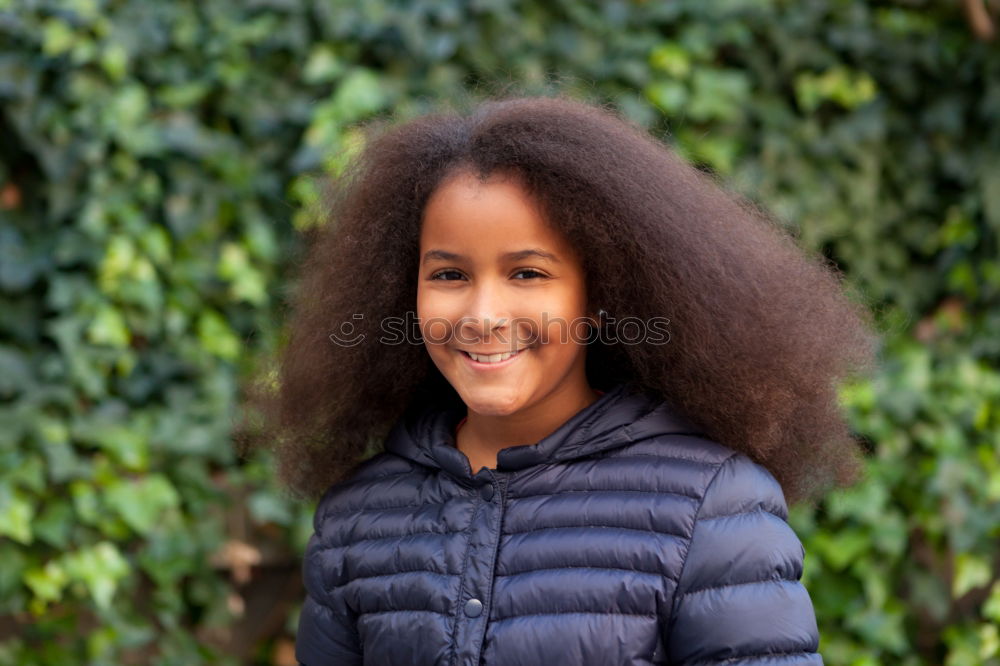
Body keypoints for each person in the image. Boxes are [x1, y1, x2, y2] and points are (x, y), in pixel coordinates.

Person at [247, 94, 879, 665]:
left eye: (527, 274)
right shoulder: (358, 518)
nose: (482, 316)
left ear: (599, 295)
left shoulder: (711, 511)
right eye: (448, 275)